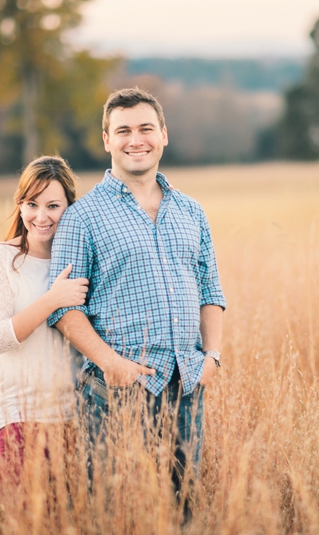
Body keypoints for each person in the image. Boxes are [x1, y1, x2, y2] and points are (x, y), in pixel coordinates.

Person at [46, 87, 226, 516]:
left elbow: (211, 291)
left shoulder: (191, 211)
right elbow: (64, 308)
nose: (135, 139)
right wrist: (111, 363)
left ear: (164, 134)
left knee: (185, 511)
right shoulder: (82, 217)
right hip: (115, 391)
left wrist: (212, 357)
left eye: (146, 128)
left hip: (185, 384)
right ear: (106, 140)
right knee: (114, 512)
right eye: (122, 130)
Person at [0, 156, 90, 490]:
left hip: (72, 417)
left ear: (70, 206)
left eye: (53, 205)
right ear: (20, 205)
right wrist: (51, 300)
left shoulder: (79, 261)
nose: (41, 216)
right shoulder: (0, 261)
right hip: (14, 415)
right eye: (32, 204)